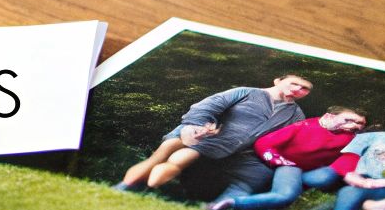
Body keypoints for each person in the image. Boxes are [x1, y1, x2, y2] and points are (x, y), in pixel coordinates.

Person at [116, 74, 313, 192]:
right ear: (278, 80)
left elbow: (284, 141)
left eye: (304, 89)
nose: (298, 89)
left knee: (180, 158)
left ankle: (145, 187)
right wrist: (197, 126)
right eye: (294, 83)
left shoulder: (296, 115)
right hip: (196, 129)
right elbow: (207, 106)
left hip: (221, 144)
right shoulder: (246, 92)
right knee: (162, 154)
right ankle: (125, 187)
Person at [203, 107, 368, 210]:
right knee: (282, 194)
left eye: (360, 124)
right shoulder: (305, 125)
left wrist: (345, 173)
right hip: (287, 166)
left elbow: (350, 159)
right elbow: (265, 143)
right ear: (329, 116)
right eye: (349, 120)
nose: (355, 126)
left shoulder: (354, 140)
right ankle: (223, 205)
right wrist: (278, 160)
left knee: (316, 180)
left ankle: (236, 209)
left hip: (308, 174)